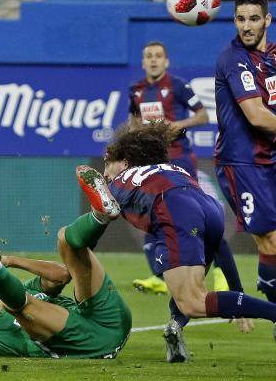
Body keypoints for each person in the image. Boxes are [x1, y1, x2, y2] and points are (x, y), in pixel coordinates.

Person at [92, 123, 276, 362]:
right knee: (188, 287)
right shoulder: (170, 169)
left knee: (193, 302)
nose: (106, 172)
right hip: (209, 208)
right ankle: (175, 326)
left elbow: (96, 219)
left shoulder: (120, 182)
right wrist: (237, 292)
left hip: (174, 211)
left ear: (125, 162)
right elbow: (220, 244)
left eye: (108, 164)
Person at [0, 202, 132, 358]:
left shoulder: (26, 288)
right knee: (20, 307)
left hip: (110, 320)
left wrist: (11, 260)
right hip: (88, 344)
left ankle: (100, 216)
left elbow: (62, 276)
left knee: (66, 240)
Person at [128, 41, 242, 298]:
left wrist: (177, 125)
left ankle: (221, 272)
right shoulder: (135, 90)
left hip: (180, 162)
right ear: (143, 61)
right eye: (149, 56)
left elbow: (202, 116)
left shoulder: (178, 85)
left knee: (195, 218)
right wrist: (135, 138)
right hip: (152, 164)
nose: (154, 60)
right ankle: (159, 276)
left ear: (166, 61)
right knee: (152, 218)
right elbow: (133, 122)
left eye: (159, 56)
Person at [214, 0, 276, 311]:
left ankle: (268, 284)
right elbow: (257, 116)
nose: (247, 26)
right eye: (240, 19)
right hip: (241, 163)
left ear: (267, 20)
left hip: (271, 157)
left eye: (254, 18)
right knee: (270, 240)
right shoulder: (233, 59)